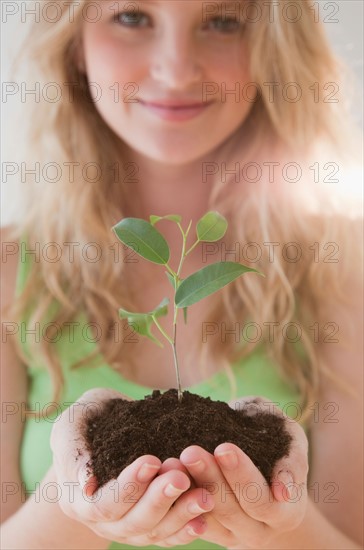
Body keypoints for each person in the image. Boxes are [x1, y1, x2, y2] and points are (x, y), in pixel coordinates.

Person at [1, 0, 363, 548]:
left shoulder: (344, 265)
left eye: (222, 21)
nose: (175, 68)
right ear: (74, 43)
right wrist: (75, 501)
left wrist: (279, 524)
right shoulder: (12, 272)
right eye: (131, 17)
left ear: (276, 48)